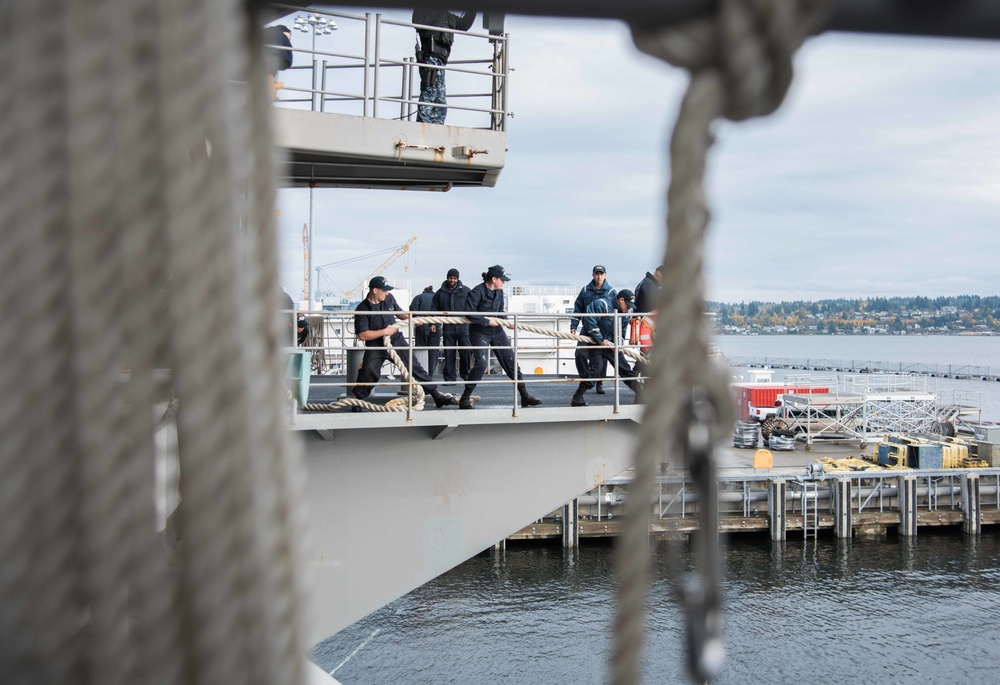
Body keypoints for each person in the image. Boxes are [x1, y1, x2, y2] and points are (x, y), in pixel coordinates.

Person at [352, 276, 456, 411]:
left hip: (396, 340)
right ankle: (358, 400)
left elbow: (399, 313)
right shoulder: (362, 309)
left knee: (414, 367)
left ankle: (437, 396)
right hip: (376, 345)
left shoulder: (388, 299)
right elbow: (362, 335)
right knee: (369, 371)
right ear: (375, 290)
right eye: (384, 290)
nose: (387, 293)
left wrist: (412, 318)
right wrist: (384, 331)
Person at [459, 265, 541, 410]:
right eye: (502, 280)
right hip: (479, 332)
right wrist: (486, 321)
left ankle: (525, 396)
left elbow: (500, 310)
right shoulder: (477, 292)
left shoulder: (499, 292)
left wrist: (506, 321)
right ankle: (465, 398)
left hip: (496, 331)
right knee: (481, 364)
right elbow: (468, 312)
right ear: (494, 279)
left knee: (511, 362)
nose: (504, 282)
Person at [572, 290, 642, 407]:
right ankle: (577, 397)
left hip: (611, 345)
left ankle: (640, 394)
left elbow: (622, 330)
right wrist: (600, 340)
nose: (628, 309)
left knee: (624, 369)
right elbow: (589, 320)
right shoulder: (602, 304)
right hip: (596, 344)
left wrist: (618, 344)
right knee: (596, 369)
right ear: (621, 300)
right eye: (628, 305)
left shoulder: (625, 314)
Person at [411, 9, 477, 124]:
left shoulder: (447, 16)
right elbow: (416, 20)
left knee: (440, 104)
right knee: (429, 93)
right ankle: (421, 125)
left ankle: (436, 129)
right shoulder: (427, 11)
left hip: (440, 62)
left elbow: (464, 24)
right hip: (430, 58)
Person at [570, 265, 617, 396]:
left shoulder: (611, 291)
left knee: (602, 357)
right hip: (587, 329)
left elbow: (616, 311)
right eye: (597, 274)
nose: (599, 276)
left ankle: (599, 382)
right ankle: (586, 377)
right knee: (580, 353)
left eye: (601, 274)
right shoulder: (585, 291)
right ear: (593, 275)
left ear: (605, 275)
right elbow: (578, 308)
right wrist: (574, 325)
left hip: (604, 330)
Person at [432, 268, 472, 383]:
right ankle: (449, 378)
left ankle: (466, 374)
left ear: (458, 279)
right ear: (447, 278)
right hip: (448, 327)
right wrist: (433, 323)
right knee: (449, 353)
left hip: (464, 327)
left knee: (466, 352)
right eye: (450, 278)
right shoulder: (440, 293)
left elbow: (473, 305)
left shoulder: (466, 291)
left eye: (454, 278)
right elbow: (434, 309)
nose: (452, 280)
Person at [632, 265, 663, 380]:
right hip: (648, 325)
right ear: (659, 273)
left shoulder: (644, 283)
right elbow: (655, 305)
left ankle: (636, 377)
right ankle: (636, 378)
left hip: (642, 324)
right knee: (648, 355)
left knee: (645, 355)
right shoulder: (649, 285)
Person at [409, 285, 441, 378]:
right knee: (433, 351)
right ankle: (430, 375)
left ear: (424, 291)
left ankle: (422, 374)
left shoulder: (418, 297)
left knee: (421, 350)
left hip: (421, 325)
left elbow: (412, 311)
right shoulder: (437, 297)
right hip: (435, 326)